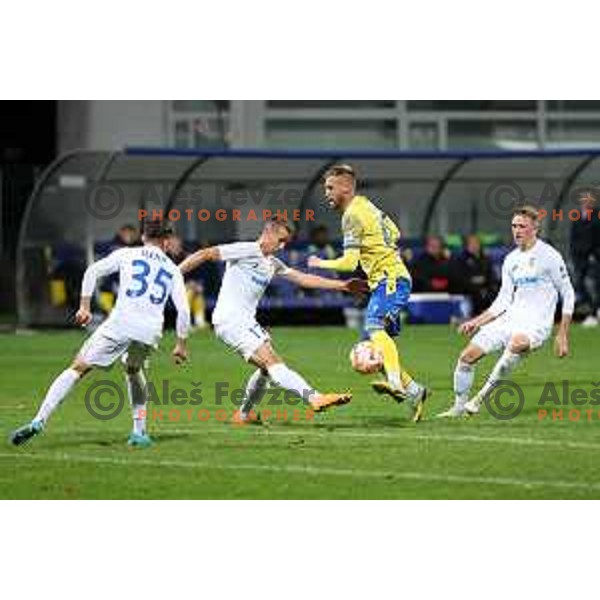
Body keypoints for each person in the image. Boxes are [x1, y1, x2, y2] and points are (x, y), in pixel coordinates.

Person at [10, 219, 190, 448]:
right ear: (166, 242)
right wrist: (181, 344)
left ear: (143, 237)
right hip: (150, 331)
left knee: (78, 368)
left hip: (121, 323)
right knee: (133, 369)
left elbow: (92, 271)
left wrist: (84, 306)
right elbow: (183, 310)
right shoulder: (173, 269)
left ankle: (38, 421)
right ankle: (139, 433)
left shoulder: (127, 254)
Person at [179, 217, 366, 424]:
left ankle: (243, 415)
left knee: (266, 369)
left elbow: (303, 278)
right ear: (269, 232)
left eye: (286, 242)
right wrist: (174, 274)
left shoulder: (272, 263)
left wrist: (342, 286)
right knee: (274, 363)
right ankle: (315, 397)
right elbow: (205, 254)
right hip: (233, 320)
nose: (283, 245)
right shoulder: (247, 249)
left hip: (241, 322)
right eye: (281, 239)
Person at [306, 164, 427, 422]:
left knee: (374, 327)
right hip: (389, 279)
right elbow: (395, 232)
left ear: (346, 187)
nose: (326, 193)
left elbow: (350, 263)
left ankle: (395, 383)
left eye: (330, 187)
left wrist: (320, 263)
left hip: (390, 279)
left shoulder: (351, 215)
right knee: (370, 349)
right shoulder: (369, 206)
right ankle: (416, 391)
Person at [439, 206, 575, 418]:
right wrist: (477, 321)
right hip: (510, 318)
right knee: (466, 357)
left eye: (522, 226)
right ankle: (458, 408)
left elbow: (568, 294)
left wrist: (563, 333)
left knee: (516, 343)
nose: (517, 230)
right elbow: (503, 300)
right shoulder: (511, 259)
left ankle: (479, 399)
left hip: (536, 325)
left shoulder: (549, 256)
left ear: (535, 228)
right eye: (514, 226)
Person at [570, 189, 600, 327]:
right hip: (579, 258)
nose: (585, 202)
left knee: (595, 285)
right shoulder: (577, 217)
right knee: (580, 285)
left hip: (594, 257)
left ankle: (594, 313)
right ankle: (593, 308)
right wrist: (573, 254)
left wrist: (595, 254)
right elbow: (573, 237)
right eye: (583, 200)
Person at [452, 234, 498, 316]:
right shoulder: (460, 259)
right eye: (472, 243)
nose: (474, 246)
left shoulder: (485, 259)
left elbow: (490, 276)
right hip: (467, 291)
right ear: (466, 245)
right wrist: (476, 281)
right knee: (476, 295)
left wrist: (487, 285)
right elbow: (459, 277)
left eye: (476, 243)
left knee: (494, 292)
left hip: (484, 289)